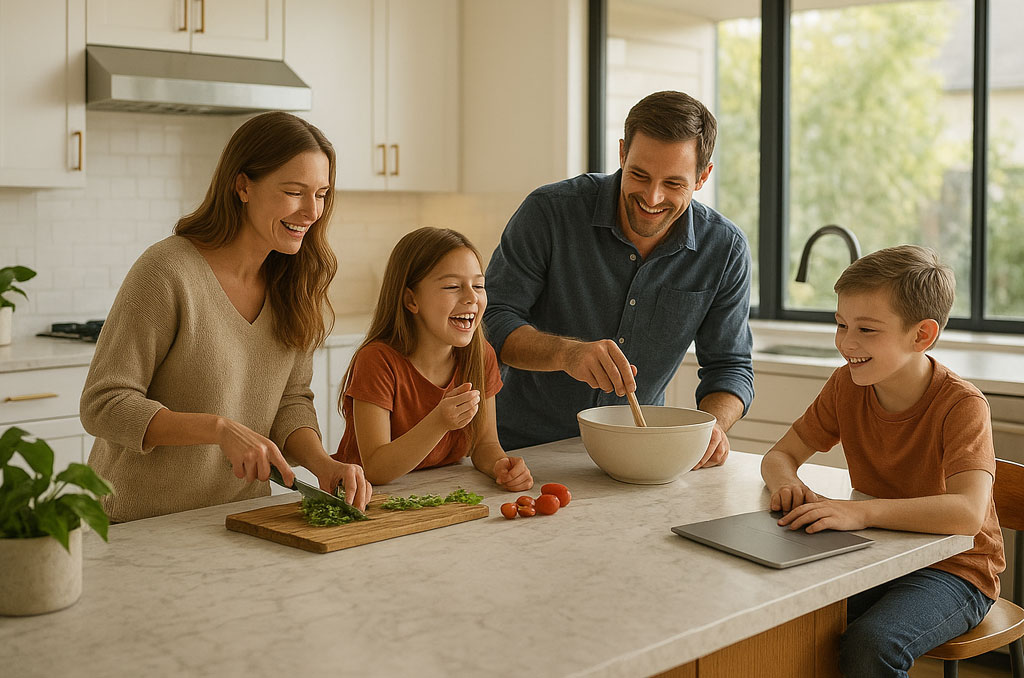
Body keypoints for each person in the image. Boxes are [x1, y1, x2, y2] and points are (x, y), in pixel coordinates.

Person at [81, 111, 372, 522]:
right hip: (139, 524)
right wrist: (218, 429)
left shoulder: (295, 283)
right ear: (242, 186)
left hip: (241, 519)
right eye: (294, 192)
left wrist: (322, 463)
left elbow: (290, 402)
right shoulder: (167, 271)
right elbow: (103, 404)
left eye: (322, 193)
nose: (312, 211)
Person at [760, 246, 1004, 678]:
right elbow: (780, 454)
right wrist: (786, 484)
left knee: (870, 645)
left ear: (922, 335)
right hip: (880, 553)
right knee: (786, 618)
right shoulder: (846, 386)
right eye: (840, 324)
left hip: (957, 569)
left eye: (867, 330)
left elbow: (968, 514)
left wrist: (859, 512)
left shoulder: (962, 405)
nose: (846, 343)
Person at [483, 90, 754, 465]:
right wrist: (566, 353)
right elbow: (493, 321)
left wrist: (714, 426)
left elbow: (730, 367)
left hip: (637, 459)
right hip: (521, 453)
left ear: (703, 176)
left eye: (674, 184)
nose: (652, 197)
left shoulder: (724, 249)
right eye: (639, 174)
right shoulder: (549, 213)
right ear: (623, 153)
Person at [332, 227, 533, 491]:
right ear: (411, 300)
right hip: (363, 498)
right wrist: (439, 422)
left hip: (434, 493)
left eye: (479, 285)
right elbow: (375, 468)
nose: (471, 297)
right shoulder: (377, 361)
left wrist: (500, 465)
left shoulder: (480, 355)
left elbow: (485, 444)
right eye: (452, 286)